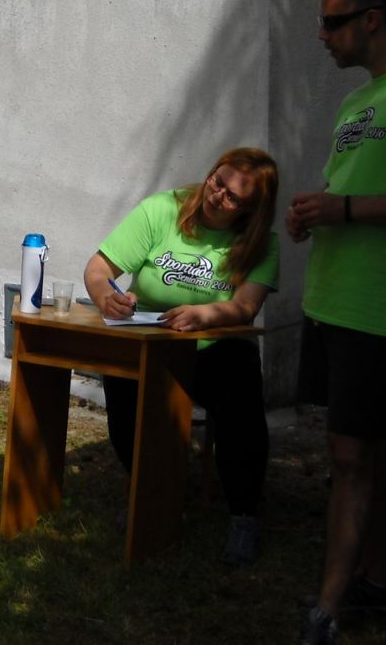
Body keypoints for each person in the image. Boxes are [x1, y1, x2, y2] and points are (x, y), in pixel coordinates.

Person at [287, 0, 386, 645]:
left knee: (347, 458)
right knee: (366, 447)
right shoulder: (355, 103)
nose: (322, 35)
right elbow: (351, 189)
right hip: (332, 299)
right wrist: (315, 213)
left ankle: (327, 609)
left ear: (371, 19)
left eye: (332, 21)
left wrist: (343, 209)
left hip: (377, 306)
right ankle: (379, 576)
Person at [84, 147, 280, 566]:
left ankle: (244, 514)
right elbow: (99, 268)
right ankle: (148, 490)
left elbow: (246, 306)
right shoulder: (162, 209)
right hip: (149, 339)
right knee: (121, 381)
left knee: (241, 393)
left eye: (232, 197)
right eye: (217, 181)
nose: (217, 196)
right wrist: (106, 298)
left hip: (215, 347)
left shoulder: (263, 242)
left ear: (252, 210)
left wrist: (206, 314)